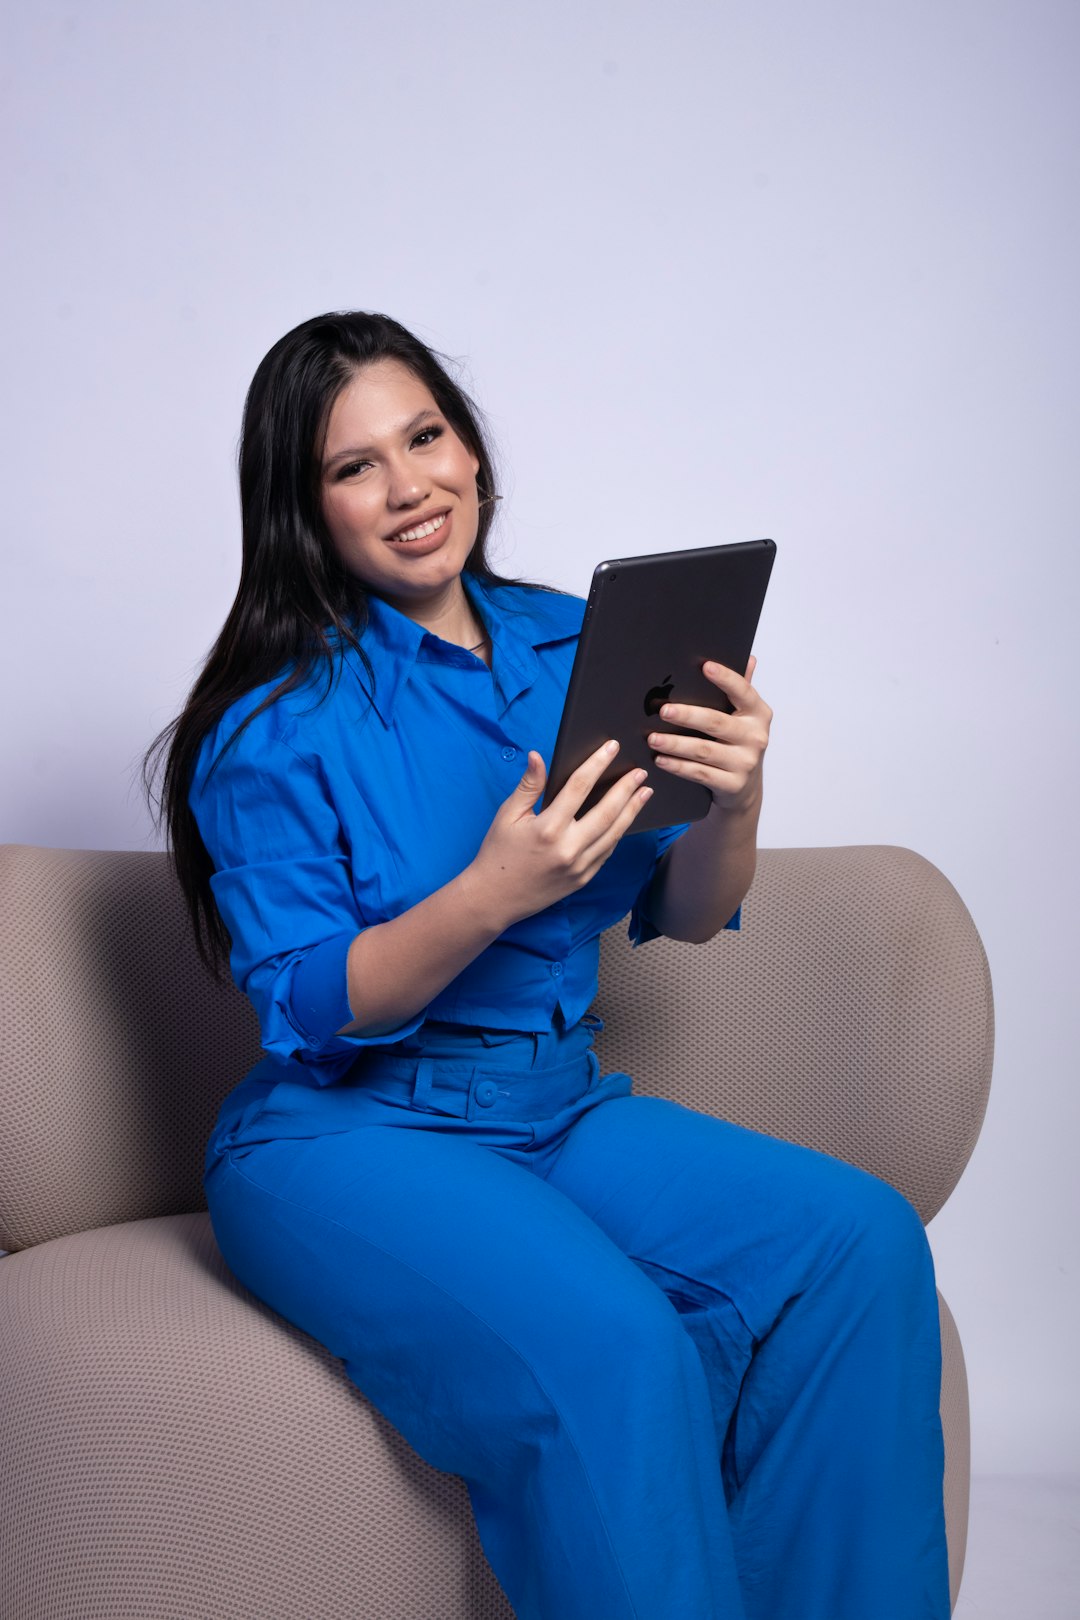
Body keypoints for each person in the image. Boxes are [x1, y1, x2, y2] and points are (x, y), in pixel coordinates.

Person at [145, 310, 951, 1620]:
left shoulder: (579, 642)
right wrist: (488, 894)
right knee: (614, 1347)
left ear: (471, 449)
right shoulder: (272, 724)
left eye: (427, 436)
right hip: (345, 1139)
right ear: (302, 508)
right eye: (354, 467)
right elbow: (308, 1010)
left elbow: (685, 914)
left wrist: (737, 796)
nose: (410, 487)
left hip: (557, 1108)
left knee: (855, 1246)